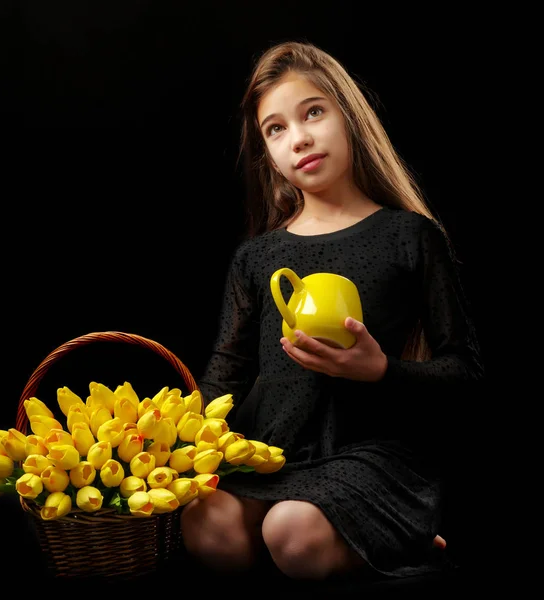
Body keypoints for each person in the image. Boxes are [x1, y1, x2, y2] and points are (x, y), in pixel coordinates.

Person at [180, 40, 484, 582]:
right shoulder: (258, 256)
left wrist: (381, 371)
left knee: (289, 532)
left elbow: (466, 372)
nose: (298, 138)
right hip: (269, 453)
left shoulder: (409, 236)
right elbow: (227, 372)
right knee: (204, 523)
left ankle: (395, 532)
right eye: (275, 129)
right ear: (267, 153)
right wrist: (169, 440)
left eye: (312, 112)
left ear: (349, 116)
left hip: (369, 455)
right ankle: (377, 543)